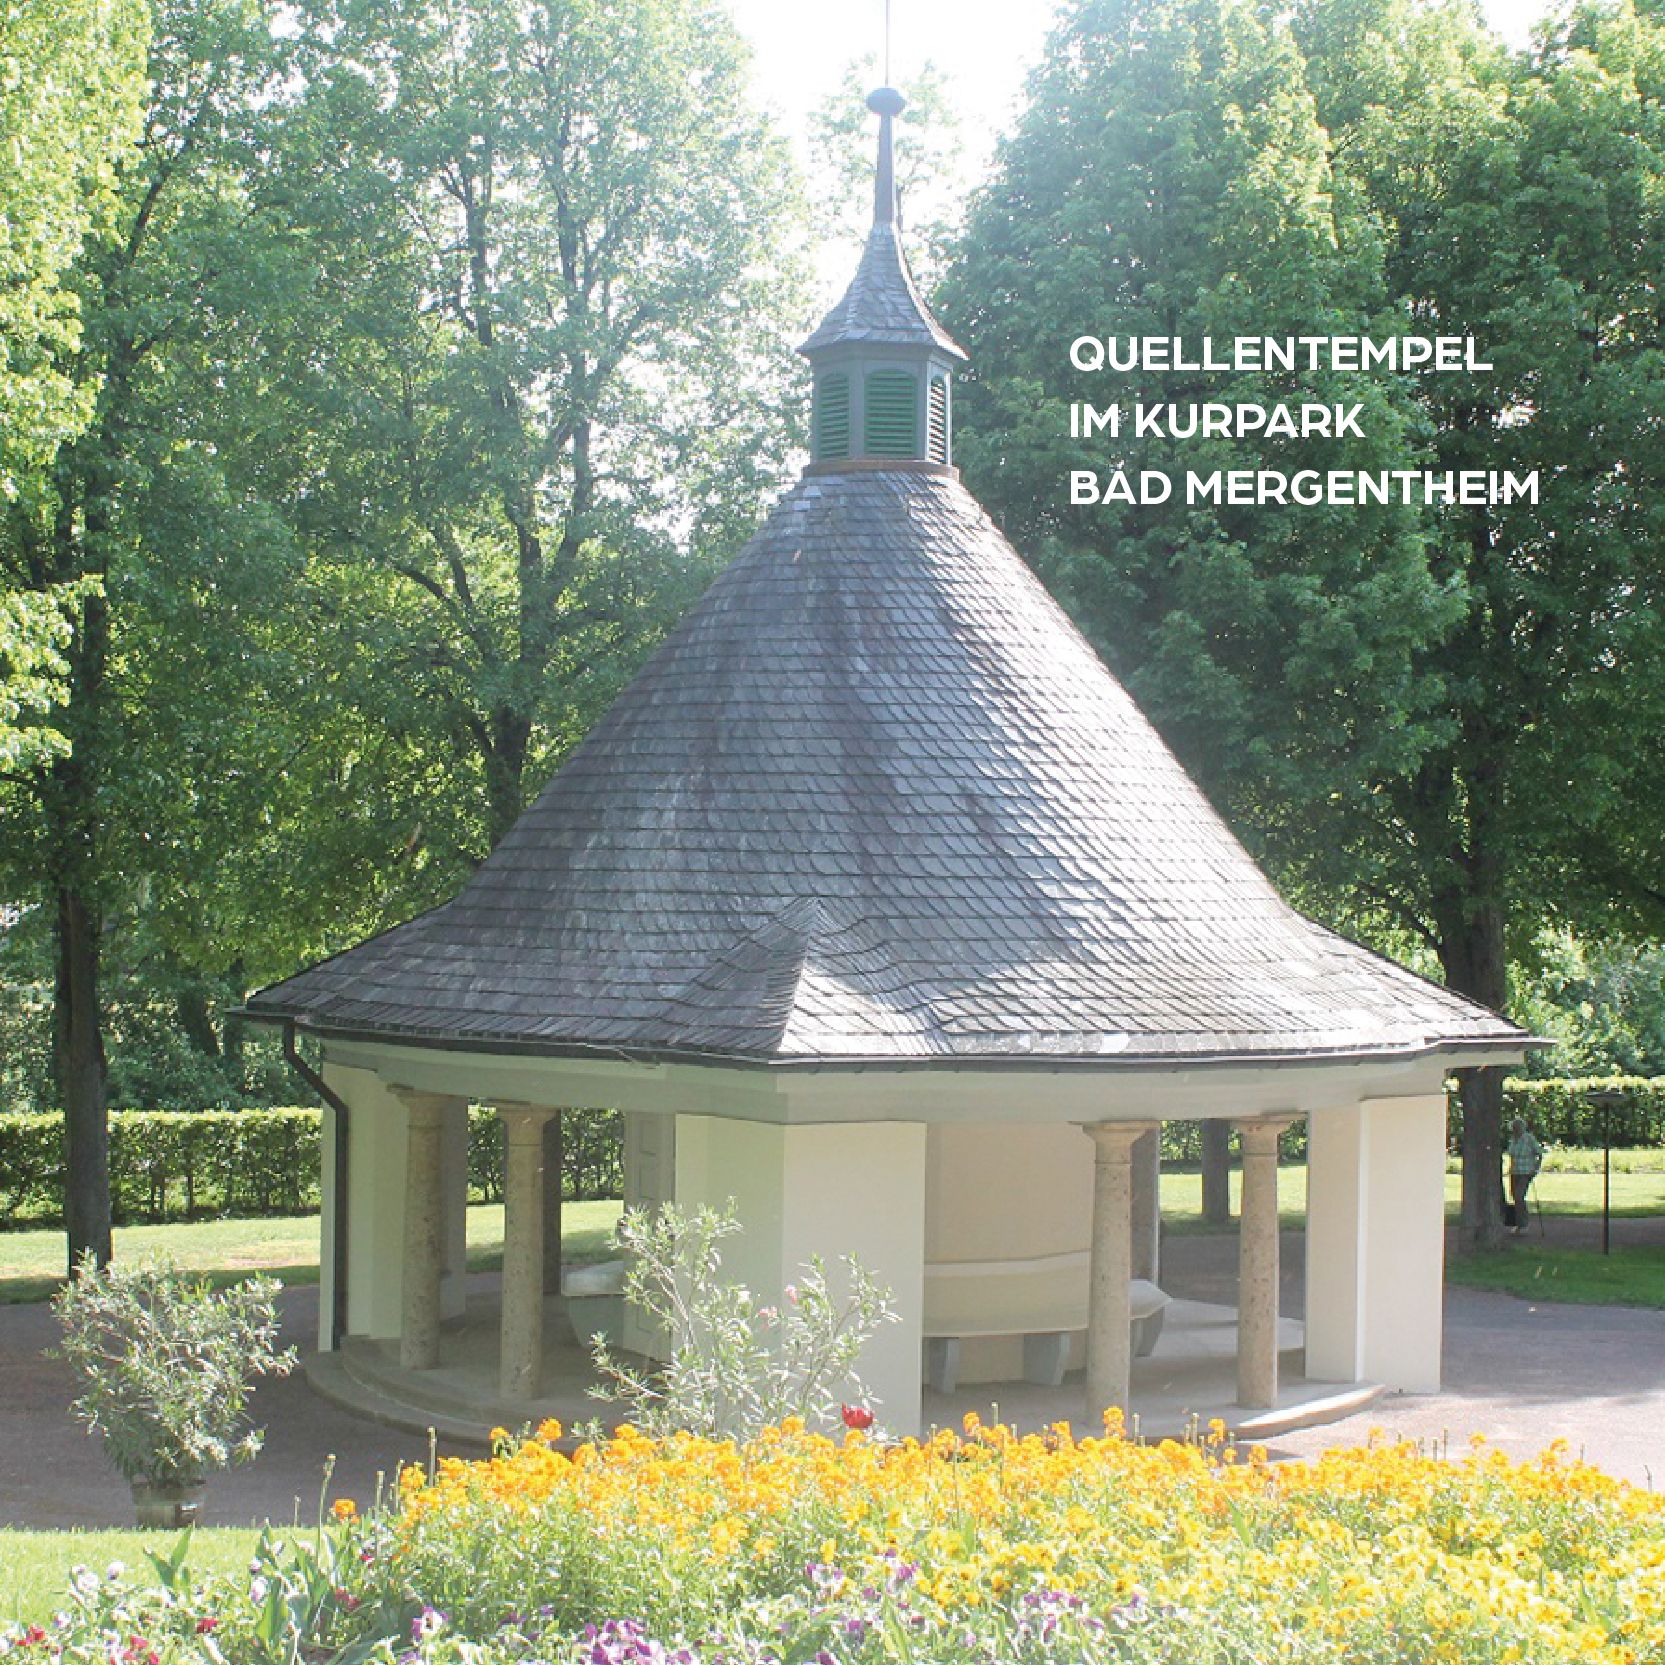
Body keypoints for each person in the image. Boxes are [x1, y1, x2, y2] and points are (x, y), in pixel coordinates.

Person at [1507, 1117, 1543, 1234]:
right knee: (1515, 1197)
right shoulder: (1513, 1140)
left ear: (1522, 1128)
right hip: (1514, 1172)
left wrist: (1535, 1168)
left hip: (1526, 1172)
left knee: (1519, 1196)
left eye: (1517, 1127)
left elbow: (1539, 1154)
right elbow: (1511, 1155)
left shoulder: (1529, 1138)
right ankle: (1518, 1224)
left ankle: (1524, 1224)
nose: (1515, 1130)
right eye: (1514, 1128)